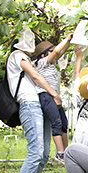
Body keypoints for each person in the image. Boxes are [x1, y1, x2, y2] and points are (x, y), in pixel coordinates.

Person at [7, 26, 61, 173]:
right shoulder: (17, 56)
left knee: (44, 152)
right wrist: (54, 94)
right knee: (36, 151)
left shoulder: (26, 58)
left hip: (37, 106)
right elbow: (36, 76)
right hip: (29, 105)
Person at [33, 34, 73, 164]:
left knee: (64, 123)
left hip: (52, 96)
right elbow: (57, 51)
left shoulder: (51, 64)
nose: (54, 54)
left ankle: (66, 151)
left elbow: (59, 52)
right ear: (43, 55)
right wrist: (66, 39)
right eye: (50, 52)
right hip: (45, 95)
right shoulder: (42, 63)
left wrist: (69, 41)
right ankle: (60, 153)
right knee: (56, 122)